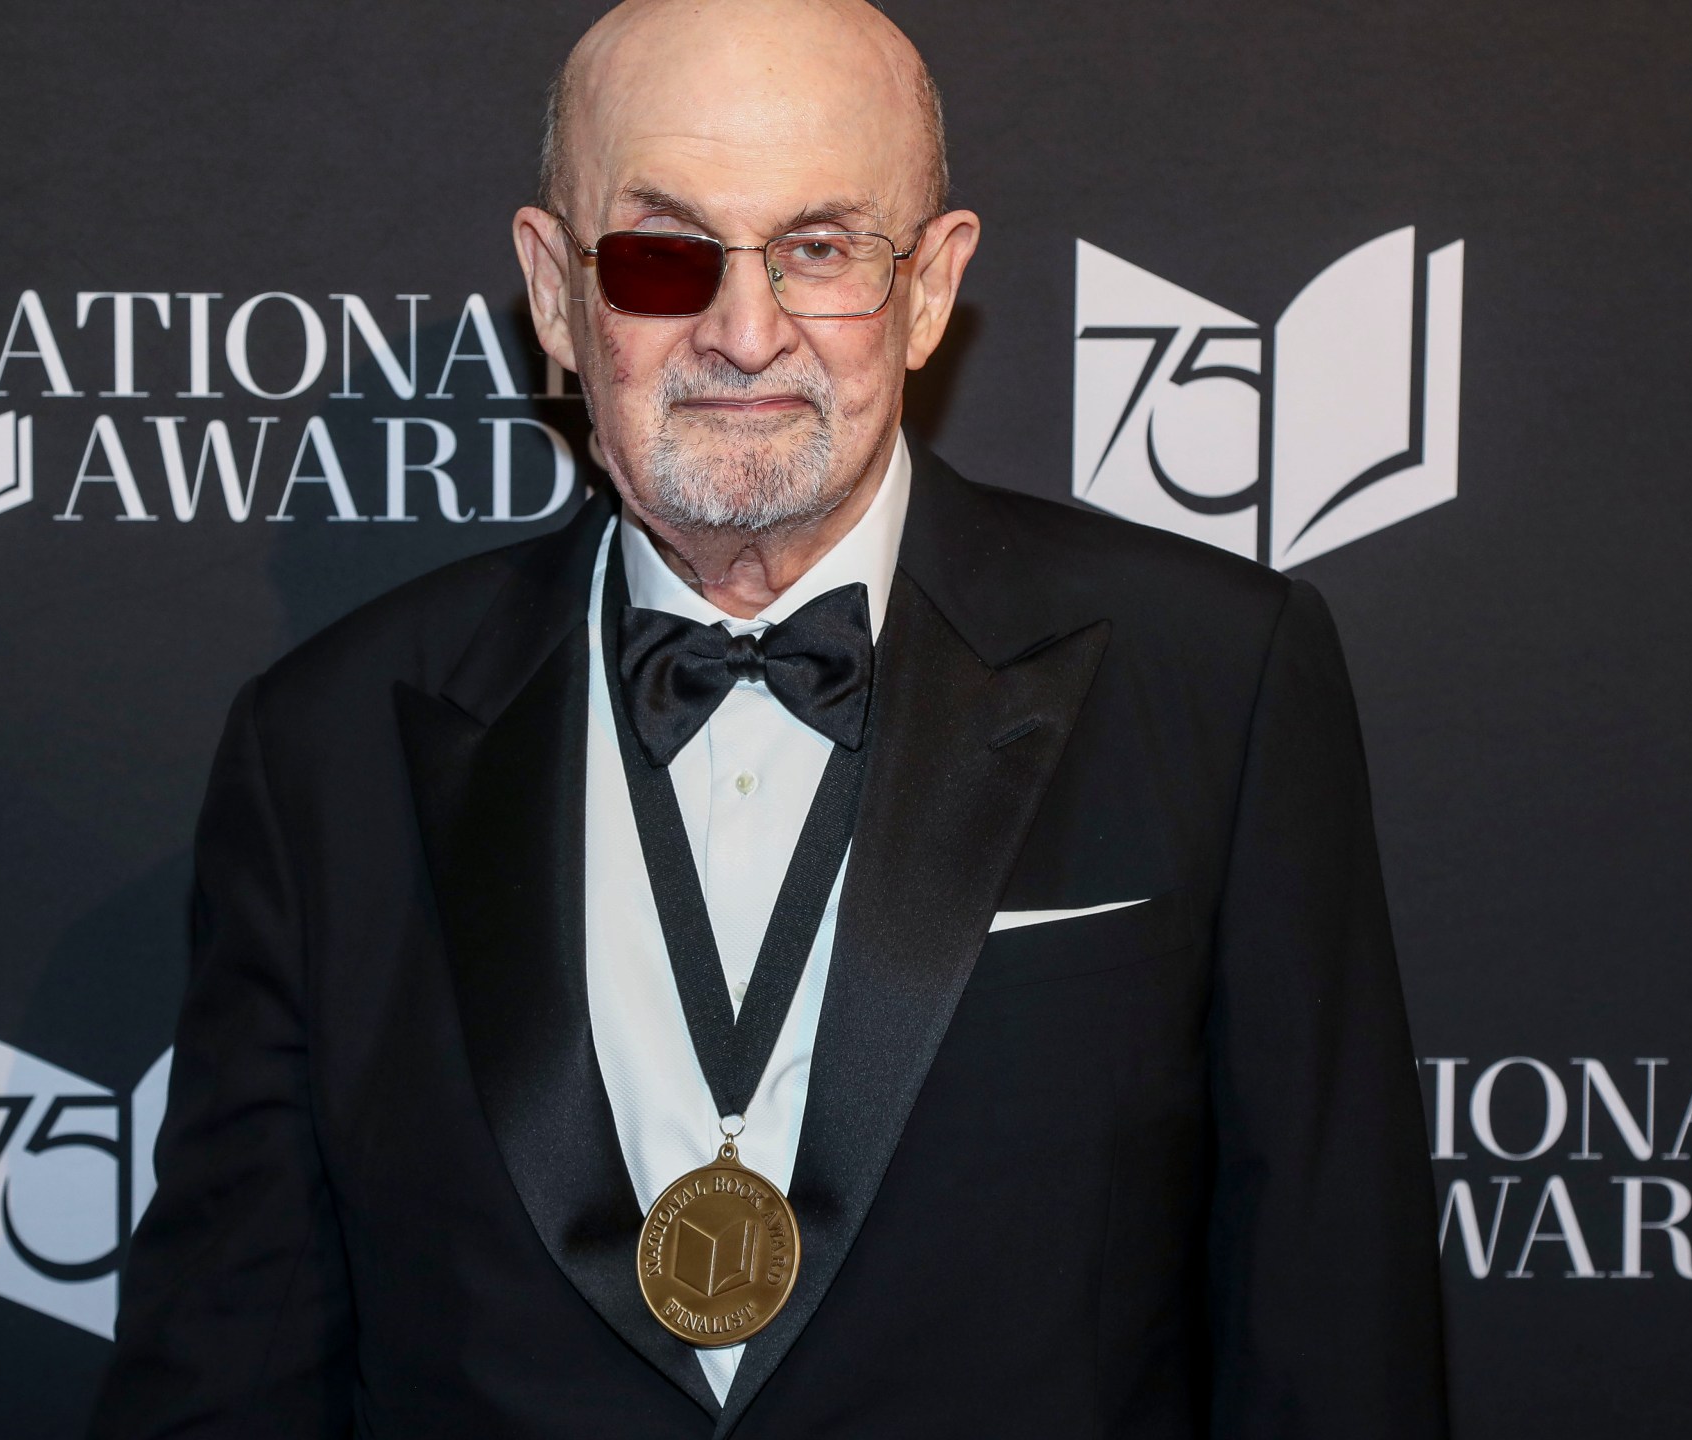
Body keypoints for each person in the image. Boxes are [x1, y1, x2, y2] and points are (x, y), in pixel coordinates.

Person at [88, 1, 1446, 1435]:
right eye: (667, 253)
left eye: (821, 247)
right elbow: (228, 1366)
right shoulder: (327, 745)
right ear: (555, 294)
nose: (746, 333)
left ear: (931, 289)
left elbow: (1332, 1339)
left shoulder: (1215, 678)